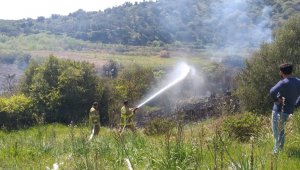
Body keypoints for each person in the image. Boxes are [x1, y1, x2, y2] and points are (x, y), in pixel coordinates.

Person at [270, 63, 300, 154]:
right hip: (289, 111)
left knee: (277, 132)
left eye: (280, 71)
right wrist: (296, 104)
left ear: (282, 72)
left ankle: (277, 152)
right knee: (281, 131)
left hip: (278, 110)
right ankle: (278, 150)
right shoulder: (298, 81)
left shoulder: (283, 82)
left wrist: (277, 99)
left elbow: (272, 91)